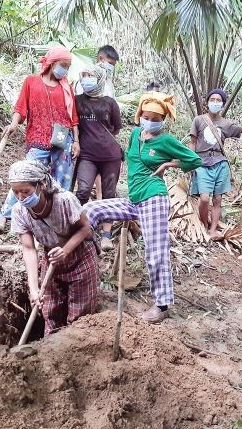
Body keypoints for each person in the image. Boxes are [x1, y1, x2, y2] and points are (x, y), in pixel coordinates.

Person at [84, 92, 201, 324]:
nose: (152, 121)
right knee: (91, 210)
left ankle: (162, 304)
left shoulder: (166, 141)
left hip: (154, 199)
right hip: (133, 199)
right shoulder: (136, 134)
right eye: (147, 116)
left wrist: (168, 163)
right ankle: (87, 256)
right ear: (140, 116)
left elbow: (194, 160)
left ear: (164, 120)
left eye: (157, 118)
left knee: (155, 252)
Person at [0, 47, 80, 232]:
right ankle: (5, 216)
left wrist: (77, 141)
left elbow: (73, 117)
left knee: (60, 181)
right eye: (63, 65)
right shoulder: (31, 82)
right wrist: (14, 124)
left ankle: (57, 219)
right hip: (38, 137)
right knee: (25, 176)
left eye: (68, 66)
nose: (65, 70)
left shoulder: (66, 87)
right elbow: (20, 107)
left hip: (63, 140)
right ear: (51, 63)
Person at [9, 160, 99, 334]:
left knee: (80, 315)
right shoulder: (19, 211)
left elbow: (85, 227)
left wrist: (66, 250)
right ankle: (50, 351)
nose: (20, 197)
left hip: (80, 256)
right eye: (15, 192)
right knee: (50, 311)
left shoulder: (64, 201)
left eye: (25, 191)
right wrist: (34, 288)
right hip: (51, 259)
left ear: (41, 184)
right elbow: (28, 249)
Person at [188, 89, 242, 239]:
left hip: (220, 163)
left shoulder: (226, 124)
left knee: (217, 199)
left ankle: (213, 230)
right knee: (204, 198)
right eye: (212, 99)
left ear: (222, 104)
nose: (215, 103)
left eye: (218, 100)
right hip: (201, 163)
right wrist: (191, 162)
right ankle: (204, 225)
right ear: (207, 102)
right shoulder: (199, 120)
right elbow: (193, 142)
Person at [74, 64, 123, 251]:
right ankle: (80, 227)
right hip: (87, 155)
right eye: (84, 75)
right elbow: (73, 124)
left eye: (90, 75)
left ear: (99, 78)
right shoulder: (77, 101)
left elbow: (116, 129)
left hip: (111, 156)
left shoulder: (110, 102)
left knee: (109, 195)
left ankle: (106, 235)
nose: (86, 78)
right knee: (83, 190)